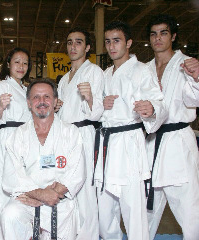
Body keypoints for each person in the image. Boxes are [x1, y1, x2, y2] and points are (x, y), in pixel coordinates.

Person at [95, 21, 167, 240]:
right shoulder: (106, 73)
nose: (111, 46)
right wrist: (100, 104)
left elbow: (159, 102)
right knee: (105, 214)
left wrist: (151, 108)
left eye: (116, 40)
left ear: (129, 43)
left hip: (129, 142)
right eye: (108, 42)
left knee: (133, 210)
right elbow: (96, 110)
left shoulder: (141, 70)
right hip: (107, 144)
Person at [1, 79, 86, 240]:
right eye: (36, 97)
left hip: (60, 201)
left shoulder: (70, 132)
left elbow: (76, 171)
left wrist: (52, 194)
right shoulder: (18, 135)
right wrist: (40, 194)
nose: (41, 102)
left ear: (55, 102)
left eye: (46, 97)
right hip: (28, 200)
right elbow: (12, 174)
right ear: (28, 103)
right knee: (10, 213)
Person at [145, 14, 199, 240]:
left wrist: (196, 77)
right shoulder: (144, 69)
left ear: (173, 36)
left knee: (189, 209)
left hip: (177, 140)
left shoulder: (186, 64)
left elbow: (194, 101)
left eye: (163, 33)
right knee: (144, 212)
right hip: (150, 143)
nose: (158, 38)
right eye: (153, 34)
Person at [56, 27, 104, 240]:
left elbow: (97, 111)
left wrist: (91, 98)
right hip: (65, 135)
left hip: (84, 132)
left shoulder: (94, 71)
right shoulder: (64, 78)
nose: (73, 46)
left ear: (87, 47)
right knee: (67, 189)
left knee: (85, 192)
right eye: (69, 42)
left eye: (78, 42)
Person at [0, 47, 32, 240]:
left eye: (25, 63)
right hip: (8, 138)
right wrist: (0, 106)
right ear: (8, 64)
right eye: (17, 62)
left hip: (26, 140)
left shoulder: (26, 89)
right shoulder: (1, 87)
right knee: (6, 193)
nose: (21, 66)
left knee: (24, 193)